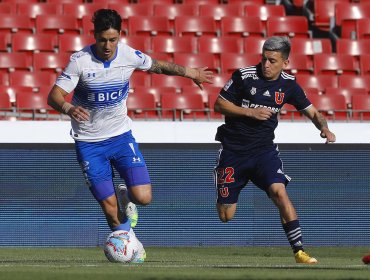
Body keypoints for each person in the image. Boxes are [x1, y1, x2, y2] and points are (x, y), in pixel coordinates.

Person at [47, 9, 213, 263]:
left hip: (121, 137)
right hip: (89, 144)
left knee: (144, 198)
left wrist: (190, 73)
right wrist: (69, 108)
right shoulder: (80, 61)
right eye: (103, 39)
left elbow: (158, 66)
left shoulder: (128, 55)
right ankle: (132, 248)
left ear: (119, 36)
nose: (107, 45)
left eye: (112, 40)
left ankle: (127, 196)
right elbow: (54, 96)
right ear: (95, 36)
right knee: (110, 210)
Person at [213, 36, 336, 264]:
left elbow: (313, 112)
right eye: (263, 59)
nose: (266, 65)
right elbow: (218, 104)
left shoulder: (289, 84)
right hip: (234, 151)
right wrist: (251, 112)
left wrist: (324, 128)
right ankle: (220, 178)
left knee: (280, 192)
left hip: (264, 152)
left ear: (285, 63)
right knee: (226, 216)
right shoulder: (244, 76)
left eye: (271, 60)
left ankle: (299, 251)